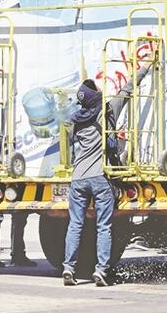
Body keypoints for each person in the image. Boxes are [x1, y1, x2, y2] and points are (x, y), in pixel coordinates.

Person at [63, 65, 151, 286]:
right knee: (104, 226)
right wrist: (145, 69)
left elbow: (72, 145)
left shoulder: (75, 121)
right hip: (100, 177)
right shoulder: (108, 109)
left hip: (78, 179)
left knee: (75, 224)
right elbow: (128, 90)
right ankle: (101, 270)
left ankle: (68, 268)